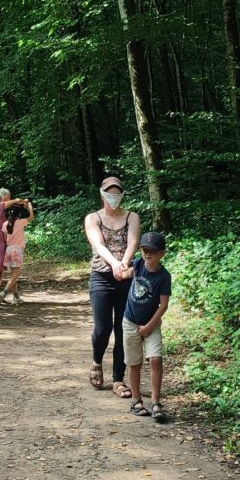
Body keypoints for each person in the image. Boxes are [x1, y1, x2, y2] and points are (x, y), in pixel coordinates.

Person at [82, 176, 140, 398]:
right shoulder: (93, 218)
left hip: (127, 278)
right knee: (102, 328)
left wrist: (125, 263)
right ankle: (96, 362)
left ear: (122, 195)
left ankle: (118, 379)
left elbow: (133, 241)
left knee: (123, 329)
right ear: (102, 194)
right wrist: (114, 263)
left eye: (117, 194)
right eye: (109, 194)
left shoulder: (132, 216)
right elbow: (98, 244)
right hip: (101, 277)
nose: (112, 198)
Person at [123, 231, 171, 422]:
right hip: (130, 321)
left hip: (152, 324)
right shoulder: (138, 264)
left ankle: (156, 402)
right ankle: (136, 401)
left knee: (155, 360)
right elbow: (127, 272)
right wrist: (121, 272)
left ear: (161, 254)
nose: (147, 254)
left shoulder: (163, 276)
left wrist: (149, 326)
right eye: (144, 250)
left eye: (152, 251)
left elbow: (164, 305)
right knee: (134, 362)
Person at [1, 199, 34, 304]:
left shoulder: (5, 224)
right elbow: (32, 217)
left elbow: (5, 239)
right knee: (16, 274)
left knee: (13, 275)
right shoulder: (20, 222)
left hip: (8, 250)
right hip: (17, 249)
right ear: (18, 215)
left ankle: (16, 297)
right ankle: (4, 292)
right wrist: (29, 206)